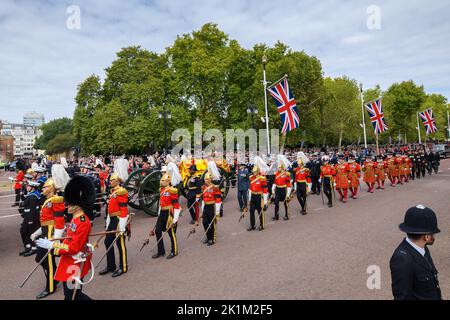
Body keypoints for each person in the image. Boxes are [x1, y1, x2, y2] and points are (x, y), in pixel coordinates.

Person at [36, 175, 95, 300]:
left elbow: (73, 248)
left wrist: (53, 246)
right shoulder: (75, 219)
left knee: (72, 295)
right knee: (70, 294)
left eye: (69, 203)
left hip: (75, 263)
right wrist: (57, 239)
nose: (66, 205)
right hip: (69, 262)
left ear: (78, 204)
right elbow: (69, 238)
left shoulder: (83, 222)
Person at [30, 164, 70, 299]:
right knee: (42, 258)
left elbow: (59, 221)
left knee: (46, 258)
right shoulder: (48, 200)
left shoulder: (56, 200)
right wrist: (37, 233)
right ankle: (55, 277)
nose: (43, 188)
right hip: (46, 232)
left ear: (52, 188)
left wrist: (56, 238)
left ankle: (51, 287)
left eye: (45, 186)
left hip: (52, 234)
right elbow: (46, 221)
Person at [390, 205, 441, 300]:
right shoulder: (402, 260)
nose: (434, 236)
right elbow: (402, 297)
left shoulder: (422, 247)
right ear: (427, 237)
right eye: (433, 233)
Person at [99, 159, 130, 277]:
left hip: (119, 219)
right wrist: (107, 222)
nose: (110, 181)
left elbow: (124, 209)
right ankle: (111, 265)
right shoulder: (113, 191)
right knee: (108, 241)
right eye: (110, 180)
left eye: (112, 180)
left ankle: (123, 266)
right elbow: (109, 209)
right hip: (112, 219)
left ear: (117, 181)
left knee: (120, 243)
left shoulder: (121, 191)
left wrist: (122, 226)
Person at [151, 162, 182, 258]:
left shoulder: (172, 190)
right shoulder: (162, 190)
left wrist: (175, 219)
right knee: (157, 231)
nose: (161, 182)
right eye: (161, 181)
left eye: (163, 181)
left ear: (168, 181)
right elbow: (161, 203)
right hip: (162, 212)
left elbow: (176, 205)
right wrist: (159, 213)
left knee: (171, 232)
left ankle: (174, 250)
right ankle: (161, 250)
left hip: (170, 213)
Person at [19, 180, 42, 257]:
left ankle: (34, 248)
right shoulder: (32, 195)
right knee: (24, 231)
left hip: (31, 218)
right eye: (27, 186)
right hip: (28, 217)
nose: (27, 187)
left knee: (30, 232)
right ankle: (28, 247)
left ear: (33, 187)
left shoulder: (32, 197)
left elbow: (32, 209)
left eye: (29, 186)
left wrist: (30, 220)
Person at [200, 173, 222, 245]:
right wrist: (202, 210)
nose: (205, 180)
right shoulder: (203, 187)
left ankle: (213, 238)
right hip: (206, 206)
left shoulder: (214, 187)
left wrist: (217, 211)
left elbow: (218, 199)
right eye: (204, 179)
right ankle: (208, 236)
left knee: (212, 224)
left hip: (212, 206)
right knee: (205, 222)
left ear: (210, 179)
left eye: (206, 179)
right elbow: (203, 199)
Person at [247, 157, 268, 231]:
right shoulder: (251, 178)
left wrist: (265, 201)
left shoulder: (262, 178)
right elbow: (250, 189)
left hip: (259, 196)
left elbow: (265, 190)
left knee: (260, 211)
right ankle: (252, 225)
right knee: (251, 211)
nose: (253, 173)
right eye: (253, 171)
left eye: (255, 172)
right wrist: (249, 199)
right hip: (253, 196)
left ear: (258, 171)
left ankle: (262, 225)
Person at [272, 155, 292, 221]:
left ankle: (287, 215)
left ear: (282, 168)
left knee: (285, 202)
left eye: (279, 168)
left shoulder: (287, 174)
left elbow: (289, 184)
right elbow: (275, 181)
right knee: (276, 202)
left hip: (284, 189)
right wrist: (273, 188)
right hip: (277, 189)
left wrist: (288, 193)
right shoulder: (276, 173)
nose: (278, 169)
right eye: (278, 168)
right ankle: (276, 215)